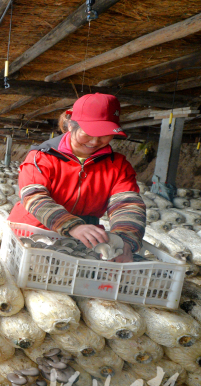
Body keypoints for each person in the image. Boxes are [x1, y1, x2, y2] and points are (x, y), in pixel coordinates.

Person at [8, 93, 146, 262]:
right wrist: (71, 225)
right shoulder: (42, 157)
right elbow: (33, 196)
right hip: (33, 235)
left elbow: (127, 205)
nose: (94, 141)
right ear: (70, 125)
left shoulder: (117, 165)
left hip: (83, 241)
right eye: (88, 133)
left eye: (104, 134)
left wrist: (124, 241)